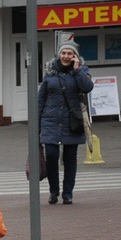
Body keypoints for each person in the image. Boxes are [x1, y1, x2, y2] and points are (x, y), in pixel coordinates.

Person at [38, 41, 92, 205]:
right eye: (64, 53)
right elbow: (41, 99)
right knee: (51, 155)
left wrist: (77, 70)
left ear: (75, 56)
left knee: (70, 158)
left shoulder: (82, 71)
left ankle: (67, 193)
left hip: (72, 122)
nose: (66, 56)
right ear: (59, 54)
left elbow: (87, 87)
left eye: (70, 53)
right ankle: (53, 191)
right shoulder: (50, 73)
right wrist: (36, 124)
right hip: (50, 121)